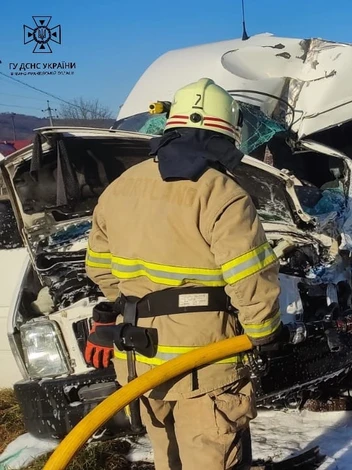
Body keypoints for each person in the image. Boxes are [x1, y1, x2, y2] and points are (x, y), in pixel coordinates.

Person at [83, 77, 287, 470]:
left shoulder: (122, 186)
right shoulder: (221, 193)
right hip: (205, 366)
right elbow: (251, 279)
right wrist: (267, 334)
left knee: (169, 459)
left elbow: (99, 269)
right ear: (228, 132)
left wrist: (139, 301)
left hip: (142, 362)